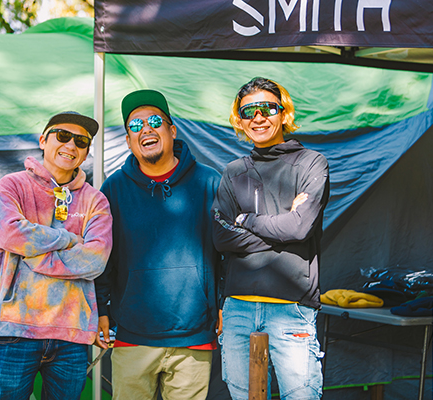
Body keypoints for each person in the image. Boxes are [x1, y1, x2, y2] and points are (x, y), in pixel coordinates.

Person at [95, 89, 221, 400]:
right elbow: (102, 256)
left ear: (172, 130)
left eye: (154, 121)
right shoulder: (113, 189)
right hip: (132, 334)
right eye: (135, 125)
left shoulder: (209, 182)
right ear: (128, 141)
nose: (146, 130)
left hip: (193, 335)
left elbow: (227, 252)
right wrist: (100, 308)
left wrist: (223, 302)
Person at [212, 77, 329, 400]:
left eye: (267, 108)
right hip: (238, 308)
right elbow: (221, 237)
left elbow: (299, 229)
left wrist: (246, 220)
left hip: (291, 307)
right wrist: (284, 230)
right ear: (239, 120)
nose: (258, 117)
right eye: (248, 111)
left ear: (284, 113)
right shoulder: (233, 172)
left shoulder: (311, 163)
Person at [0, 111, 113, 400]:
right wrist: (68, 239)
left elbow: (95, 259)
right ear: (43, 140)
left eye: (81, 141)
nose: (71, 145)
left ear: (86, 152)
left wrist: (33, 255)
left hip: (72, 333)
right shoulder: (12, 185)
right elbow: (8, 234)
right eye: (63, 136)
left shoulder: (95, 200)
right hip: (17, 328)